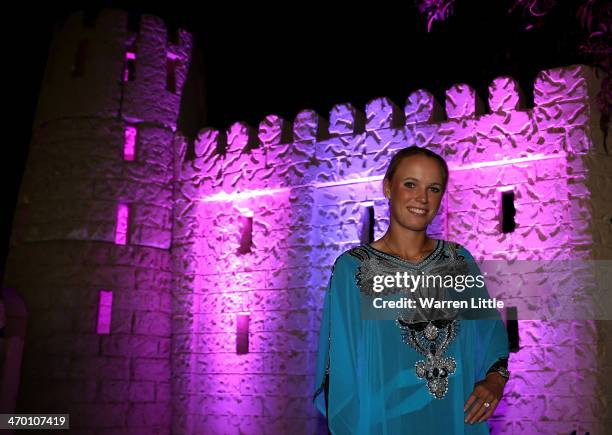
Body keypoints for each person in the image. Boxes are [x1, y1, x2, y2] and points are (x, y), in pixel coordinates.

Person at [313, 146, 510, 434]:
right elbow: (339, 364)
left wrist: (495, 380)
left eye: (433, 188)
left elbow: (490, 333)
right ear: (388, 187)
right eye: (410, 184)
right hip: (383, 424)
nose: (422, 198)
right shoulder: (352, 269)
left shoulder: (458, 261)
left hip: (455, 420)